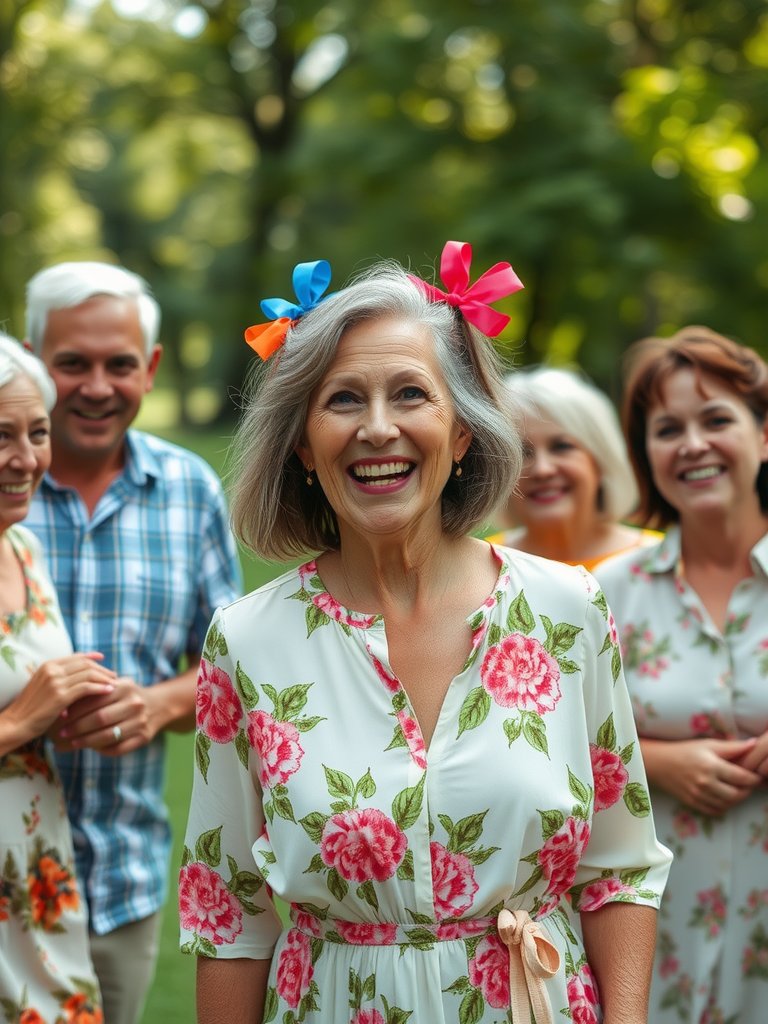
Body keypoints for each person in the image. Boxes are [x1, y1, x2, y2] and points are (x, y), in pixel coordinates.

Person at [180, 242, 671, 1024]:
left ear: (464, 431)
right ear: (303, 444)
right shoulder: (245, 641)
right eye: (343, 400)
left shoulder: (569, 609)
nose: (379, 429)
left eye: (411, 394)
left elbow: (620, 870)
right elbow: (228, 916)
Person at [22, 261, 242, 1024]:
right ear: (31, 361)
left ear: (148, 369)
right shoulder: (6, 488)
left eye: (119, 364)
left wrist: (156, 704)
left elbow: (233, 667)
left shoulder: (189, 490)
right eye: (71, 363)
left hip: (121, 877)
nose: (96, 386)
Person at [595, 325, 768, 1023]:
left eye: (716, 419)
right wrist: (658, 762)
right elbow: (554, 753)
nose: (692, 444)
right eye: (668, 429)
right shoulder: (605, 594)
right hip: (657, 926)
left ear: (763, 434)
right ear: (647, 457)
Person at [0, 333, 109, 1023]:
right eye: (0, 435)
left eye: (37, 433)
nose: (26, 459)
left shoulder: (24, 546)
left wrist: (85, 706)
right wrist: (18, 722)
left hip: (35, 876)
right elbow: (20, 709)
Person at [489, 366, 659, 570]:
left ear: (600, 459)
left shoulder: (664, 564)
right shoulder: (483, 569)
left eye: (561, 447)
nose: (543, 469)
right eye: (523, 452)